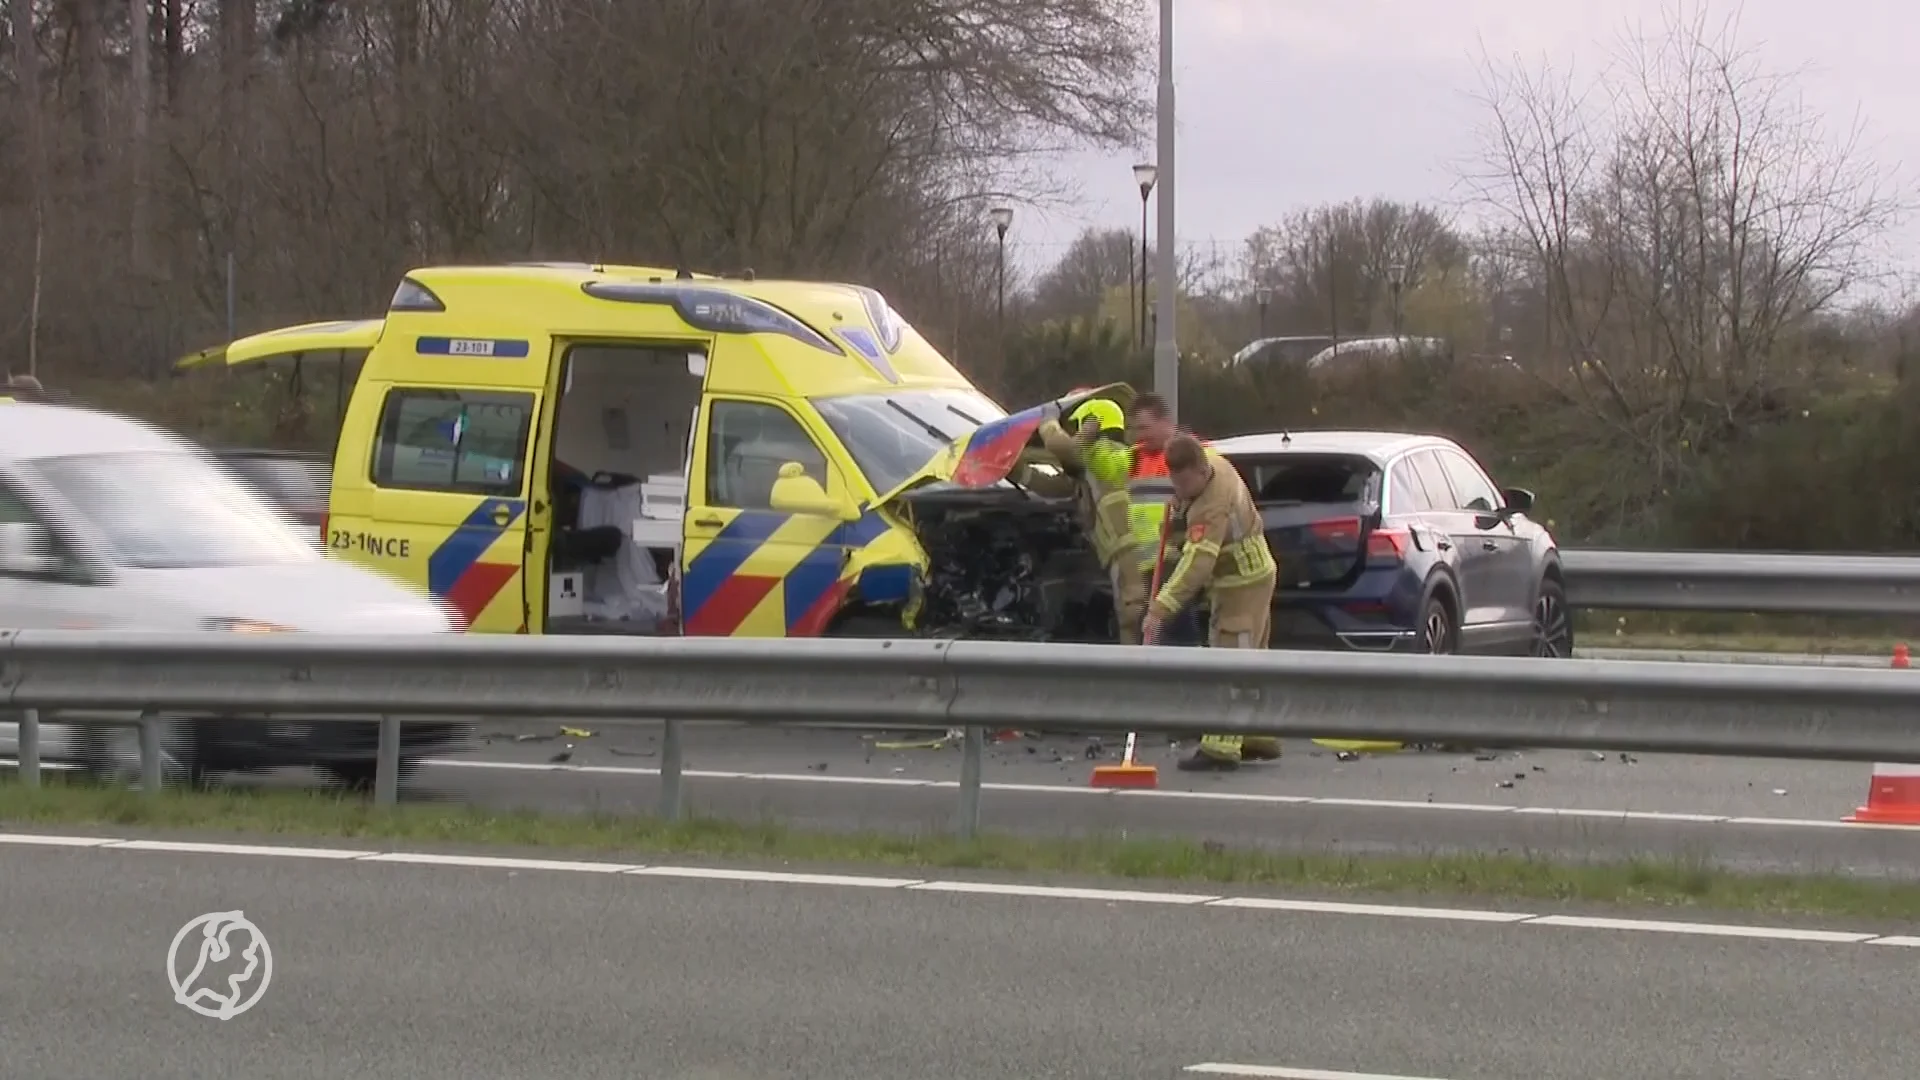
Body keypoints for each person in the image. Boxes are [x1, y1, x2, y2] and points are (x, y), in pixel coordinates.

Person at [1144, 434, 1282, 771]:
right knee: (1250, 657)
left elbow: (1198, 564)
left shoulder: (1211, 505)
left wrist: (1159, 609)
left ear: (1200, 471)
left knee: (1230, 656)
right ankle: (1254, 732)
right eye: (1174, 484)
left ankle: (1222, 746)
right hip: (1247, 574)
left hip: (1242, 579)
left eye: (1184, 484)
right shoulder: (1214, 463)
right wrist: (1180, 509)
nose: (1179, 490)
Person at [1038, 397, 1145, 644]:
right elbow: (1054, 486)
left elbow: (1061, 446)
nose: (1075, 434)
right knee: (1132, 621)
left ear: (1092, 425)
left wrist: (1048, 421)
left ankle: (1138, 678)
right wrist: (1014, 470)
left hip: (1132, 557)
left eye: (1078, 428)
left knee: (1133, 621)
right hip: (1127, 556)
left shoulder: (1106, 453)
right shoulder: (1098, 467)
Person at [1125, 393, 1204, 646]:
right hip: (1145, 565)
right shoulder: (1133, 458)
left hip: (1175, 560)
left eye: (1145, 428)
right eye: (1136, 429)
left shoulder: (1192, 456)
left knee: (1175, 630)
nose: (1140, 435)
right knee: (1154, 633)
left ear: (1166, 423)